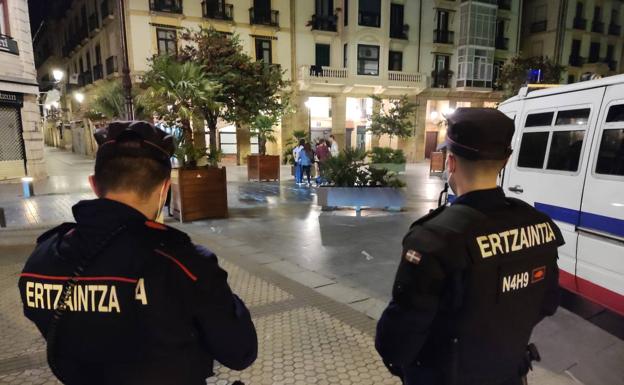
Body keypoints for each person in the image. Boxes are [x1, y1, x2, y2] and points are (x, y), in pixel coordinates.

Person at [18, 121, 257, 385]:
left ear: (94, 185)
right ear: (165, 189)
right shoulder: (185, 265)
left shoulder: (40, 261)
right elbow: (240, 352)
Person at [375, 108, 563, 385]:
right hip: (509, 374)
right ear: (505, 161)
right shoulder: (538, 225)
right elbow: (547, 303)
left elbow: (399, 337)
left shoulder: (435, 238)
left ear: (450, 162)